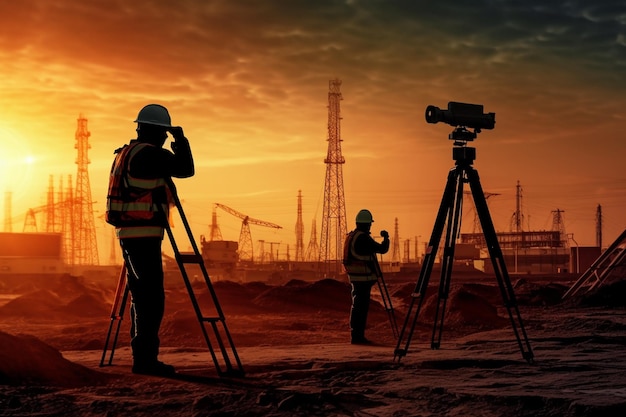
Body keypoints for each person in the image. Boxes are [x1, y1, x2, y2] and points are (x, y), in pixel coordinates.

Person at [106, 104, 194, 376]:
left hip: (130, 233)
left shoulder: (124, 153)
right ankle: (145, 361)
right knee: (151, 299)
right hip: (142, 235)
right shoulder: (149, 155)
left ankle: (142, 357)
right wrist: (182, 141)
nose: (166, 139)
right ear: (157, 131)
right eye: (165, 134)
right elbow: (185, 169)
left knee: (141, 297)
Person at [342, 209, 390, 344]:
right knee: (360, 309)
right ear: (367, 224)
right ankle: (358, 337)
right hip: (363, 278)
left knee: (357, 307)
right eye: (369, 224)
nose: (370, 226)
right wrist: (386, 238)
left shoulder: (352, 236)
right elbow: (382, 249)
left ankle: (356, 336)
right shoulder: (362, 237)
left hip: (355, 278)